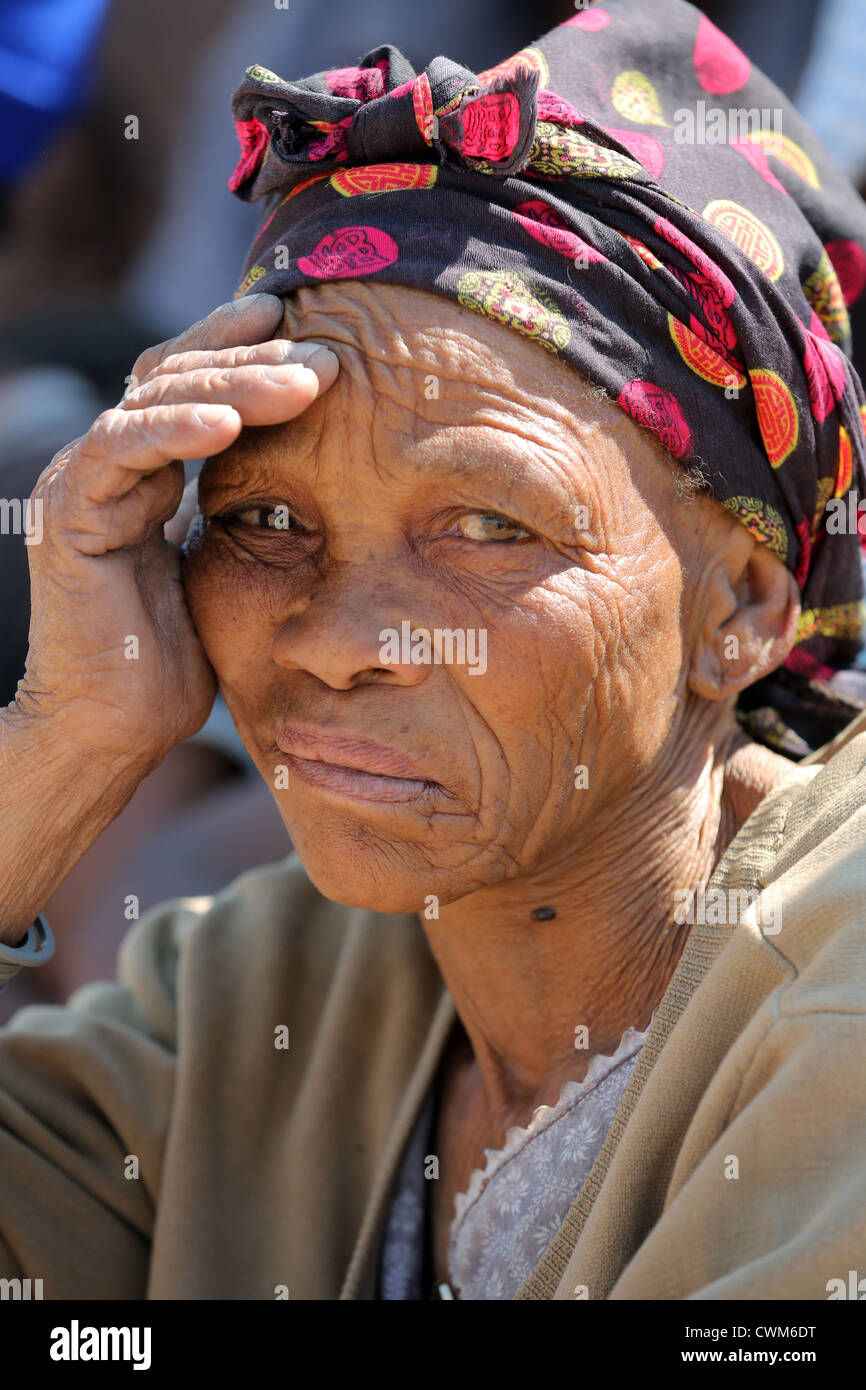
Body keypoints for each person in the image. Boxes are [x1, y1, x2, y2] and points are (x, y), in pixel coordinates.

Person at [1, 0, 866, 1300]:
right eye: (266, 520)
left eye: (482, 524)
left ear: (739, 607)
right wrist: (65, 745)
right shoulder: (255, 992)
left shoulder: (835, 997)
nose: (342, 641)